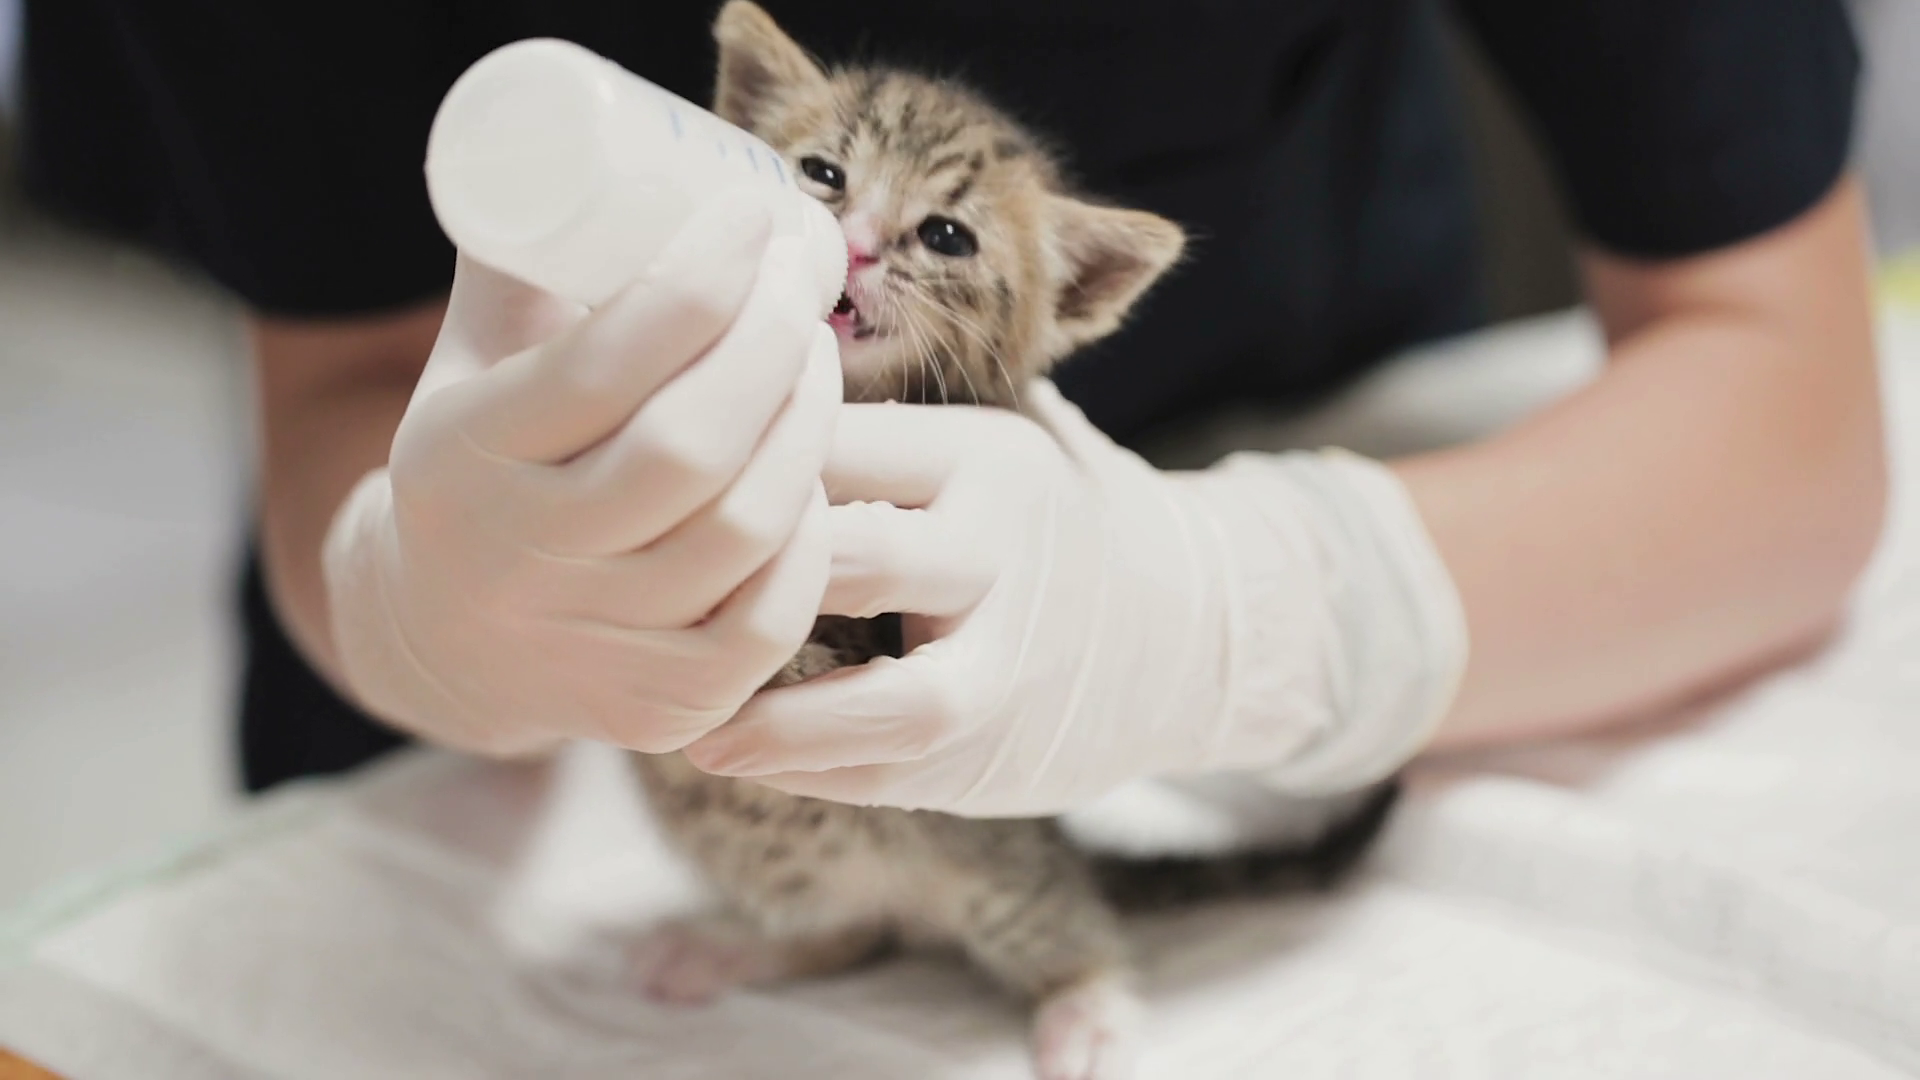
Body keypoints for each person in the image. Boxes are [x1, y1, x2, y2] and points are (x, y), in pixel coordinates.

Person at [19, 1, 1882, 814]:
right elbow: (347, 376)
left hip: (1365, 538)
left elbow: (1786, 391)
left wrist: (1254, 609)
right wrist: (425, 609)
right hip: (494, 806)